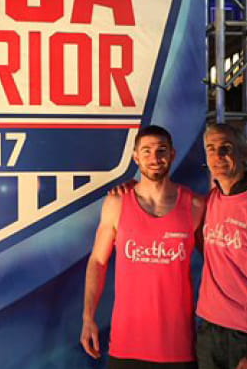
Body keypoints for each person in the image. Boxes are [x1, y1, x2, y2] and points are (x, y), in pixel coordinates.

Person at [80, 125, 205, 369]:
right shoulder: (117, 202)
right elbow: (98, 261)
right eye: (146, 151)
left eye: (161, 151)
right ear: (136, 157)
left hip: (178, 347)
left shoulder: (195, 205)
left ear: (172, 154)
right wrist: (88, 317)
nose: (154, 158)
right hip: (127, 344)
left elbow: (218, 263)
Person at [196, 122, 247, 369]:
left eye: (226, 148)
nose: (218, 156)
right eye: (211, 148)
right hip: (209, 327)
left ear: (243, 153)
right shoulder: (212, 200)